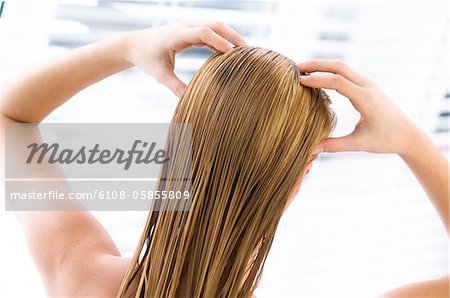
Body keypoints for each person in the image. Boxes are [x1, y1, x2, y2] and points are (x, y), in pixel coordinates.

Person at [0, 21, 448, 297]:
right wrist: (411, 140)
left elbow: (10, 117)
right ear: (298, 179)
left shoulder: (83, 280)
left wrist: (129, 47)